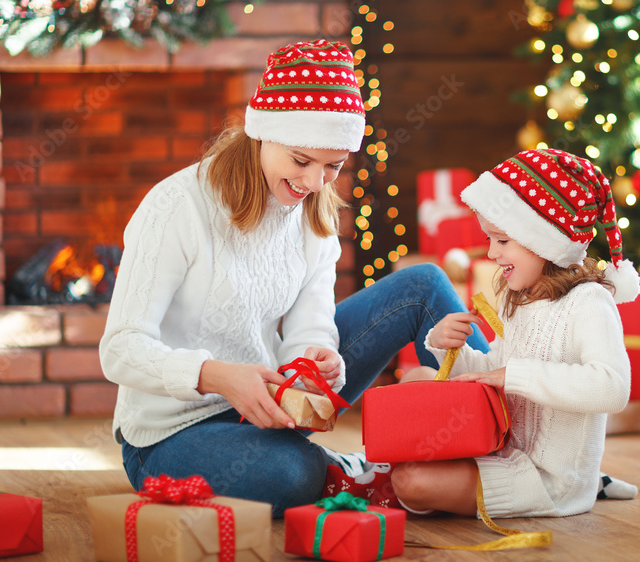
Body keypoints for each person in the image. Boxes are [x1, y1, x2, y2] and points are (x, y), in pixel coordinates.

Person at [99, 39, 488, 518]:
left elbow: (309, 330)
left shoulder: (313, 213)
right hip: (171, 435)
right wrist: (217, 377)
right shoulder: (177, 206)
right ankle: (367, 473)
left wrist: (315, 362)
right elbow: (119, 349)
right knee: (292, 474)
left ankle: (508, 444)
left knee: (423, 284)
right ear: (261, 134)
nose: (314, 183)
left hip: (271, 401)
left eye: (333, 166)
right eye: (301, 161)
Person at [388, 148, 640, 518]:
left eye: (502, 240)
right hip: (500, 448)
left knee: (412, 483)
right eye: (490, 240)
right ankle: (388, 469)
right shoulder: (521, 299)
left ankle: (591, 483)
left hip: (545, 478)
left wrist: (514, 375)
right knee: (418, 376)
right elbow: (494, 368)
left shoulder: (589, 302)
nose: (491, 253)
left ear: (546, 241)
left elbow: (613, 387)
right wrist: (449, 349)